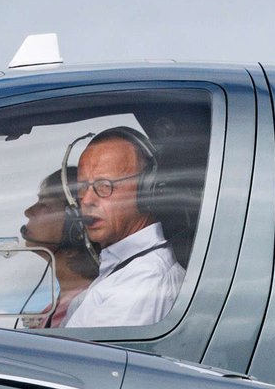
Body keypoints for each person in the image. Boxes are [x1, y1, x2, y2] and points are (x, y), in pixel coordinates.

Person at [61, 128, 185, 330]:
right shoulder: (124, 267)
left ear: (147, 190)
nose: (87, 200)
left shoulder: (142, 281)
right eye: (82, 187)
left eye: (104, 186)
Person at [19, 168, 98, 328]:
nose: (28, 212)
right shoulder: (50, 314)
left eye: (44, 204)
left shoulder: (93, 308)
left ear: (76, 225)